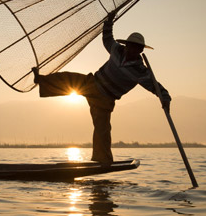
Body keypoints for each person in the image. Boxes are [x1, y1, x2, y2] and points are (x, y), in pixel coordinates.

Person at [32, 11, 171, 166]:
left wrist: (165, 98)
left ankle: (103, 160)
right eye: (131, 46)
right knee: (68, 79)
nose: (132, 50)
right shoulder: (117, 50)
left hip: (105, 98)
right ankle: (41, 80)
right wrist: (109, 21)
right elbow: (107, 38)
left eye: (137, 48)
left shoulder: (140, 71)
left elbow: (155, 86)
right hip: (93, 83)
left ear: (140, 51)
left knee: (102, 129)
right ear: (127, 45)